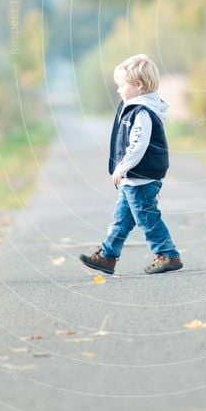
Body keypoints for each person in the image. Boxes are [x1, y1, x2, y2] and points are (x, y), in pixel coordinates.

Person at [79, 54, 182, 275]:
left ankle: (168, 254)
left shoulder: (142, 112)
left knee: (147, 218)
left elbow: (138, 145)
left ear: (138, 85)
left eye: (121, 85)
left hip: (140, 177)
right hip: (133, 178)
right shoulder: (133, 107)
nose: (118, 90)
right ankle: (107, 256)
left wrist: (122, 167)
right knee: (121, 220)